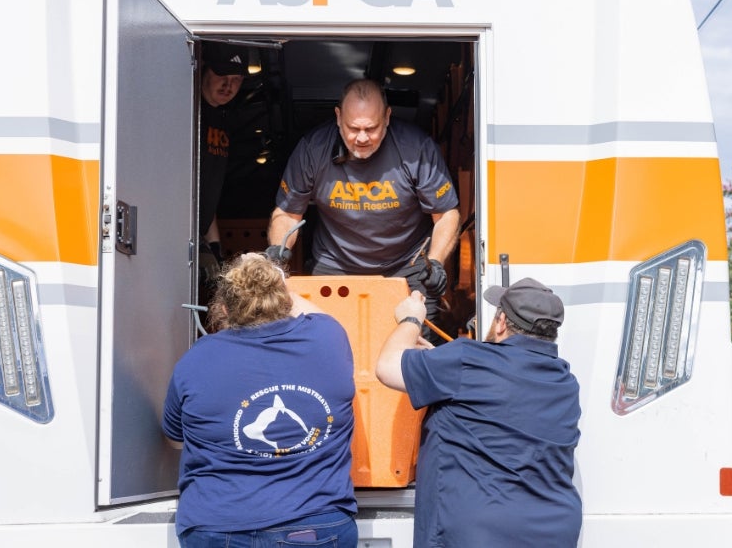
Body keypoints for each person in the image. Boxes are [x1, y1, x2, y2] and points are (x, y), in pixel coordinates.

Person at [162, 252, 358, 548]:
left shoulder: (196, 360)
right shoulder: (328, 337)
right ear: (285, 298)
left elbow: (176, 440)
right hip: (316, 522)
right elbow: (312, 310)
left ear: (224, 309)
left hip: (216, 525)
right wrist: (273, 274)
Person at [375, 278, 583, 547]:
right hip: (555, 529)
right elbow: (496, 401)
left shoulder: (466, 359)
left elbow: (387, 367)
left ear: (501, 322)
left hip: (482, 533)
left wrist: (411, 320)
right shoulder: (565, 382)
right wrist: (438, 363)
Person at [266, 78, 460, 340]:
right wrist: (278, 253)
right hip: (335, 264)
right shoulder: (313, 150)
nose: (361, 138)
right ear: (338, 117)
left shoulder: (416, 149)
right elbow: (288, 213)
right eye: (353, 128)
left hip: (406, 265)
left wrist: (436, 262)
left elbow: (446, 213)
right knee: (325, 344)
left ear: (388, 117)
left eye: (372, 128)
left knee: (415, 352)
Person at [198, 41, 247, 284]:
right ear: (204, 69)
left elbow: (208, 191)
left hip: (201, 238)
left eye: (236, 78)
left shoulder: (223, 120)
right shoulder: (188, 111)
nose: (229, 85)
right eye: (222, 75)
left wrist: (215, 246)